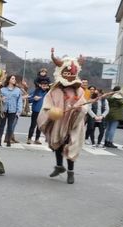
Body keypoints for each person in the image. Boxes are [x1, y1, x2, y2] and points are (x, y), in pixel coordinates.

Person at [37, 48, 87, 184]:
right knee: (57, 144)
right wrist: (52, 111)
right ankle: (59, 166)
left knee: (71, 145)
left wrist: (78, 109)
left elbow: (84, 107)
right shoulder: (54, 90)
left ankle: (71, 172)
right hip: (59, 122)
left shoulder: (79, 90)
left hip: (73, 123)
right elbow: (46, 105)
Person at [0, 74, 23, 147]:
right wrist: (1, 99)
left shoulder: (18, 90)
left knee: (10, 126)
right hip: (4, 110)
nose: (14, 80)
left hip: (13, 110)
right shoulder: (2, 89)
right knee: (2, 125)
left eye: (14, 79)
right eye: (12, 78)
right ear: (9, 80)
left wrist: (19, 110)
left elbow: (19, 101)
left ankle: (8, 140)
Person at [27, 77, 50, 144]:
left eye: (46, 86)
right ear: (40, 85)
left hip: (43, 111)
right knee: (33, 125)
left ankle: (37, 139)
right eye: (43, 86)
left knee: (40, 126)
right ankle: (29, 138)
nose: (44, 87)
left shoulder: (48, 93)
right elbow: (29, 99)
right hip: (35, 110)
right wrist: (34, 98)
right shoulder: (36, 91)